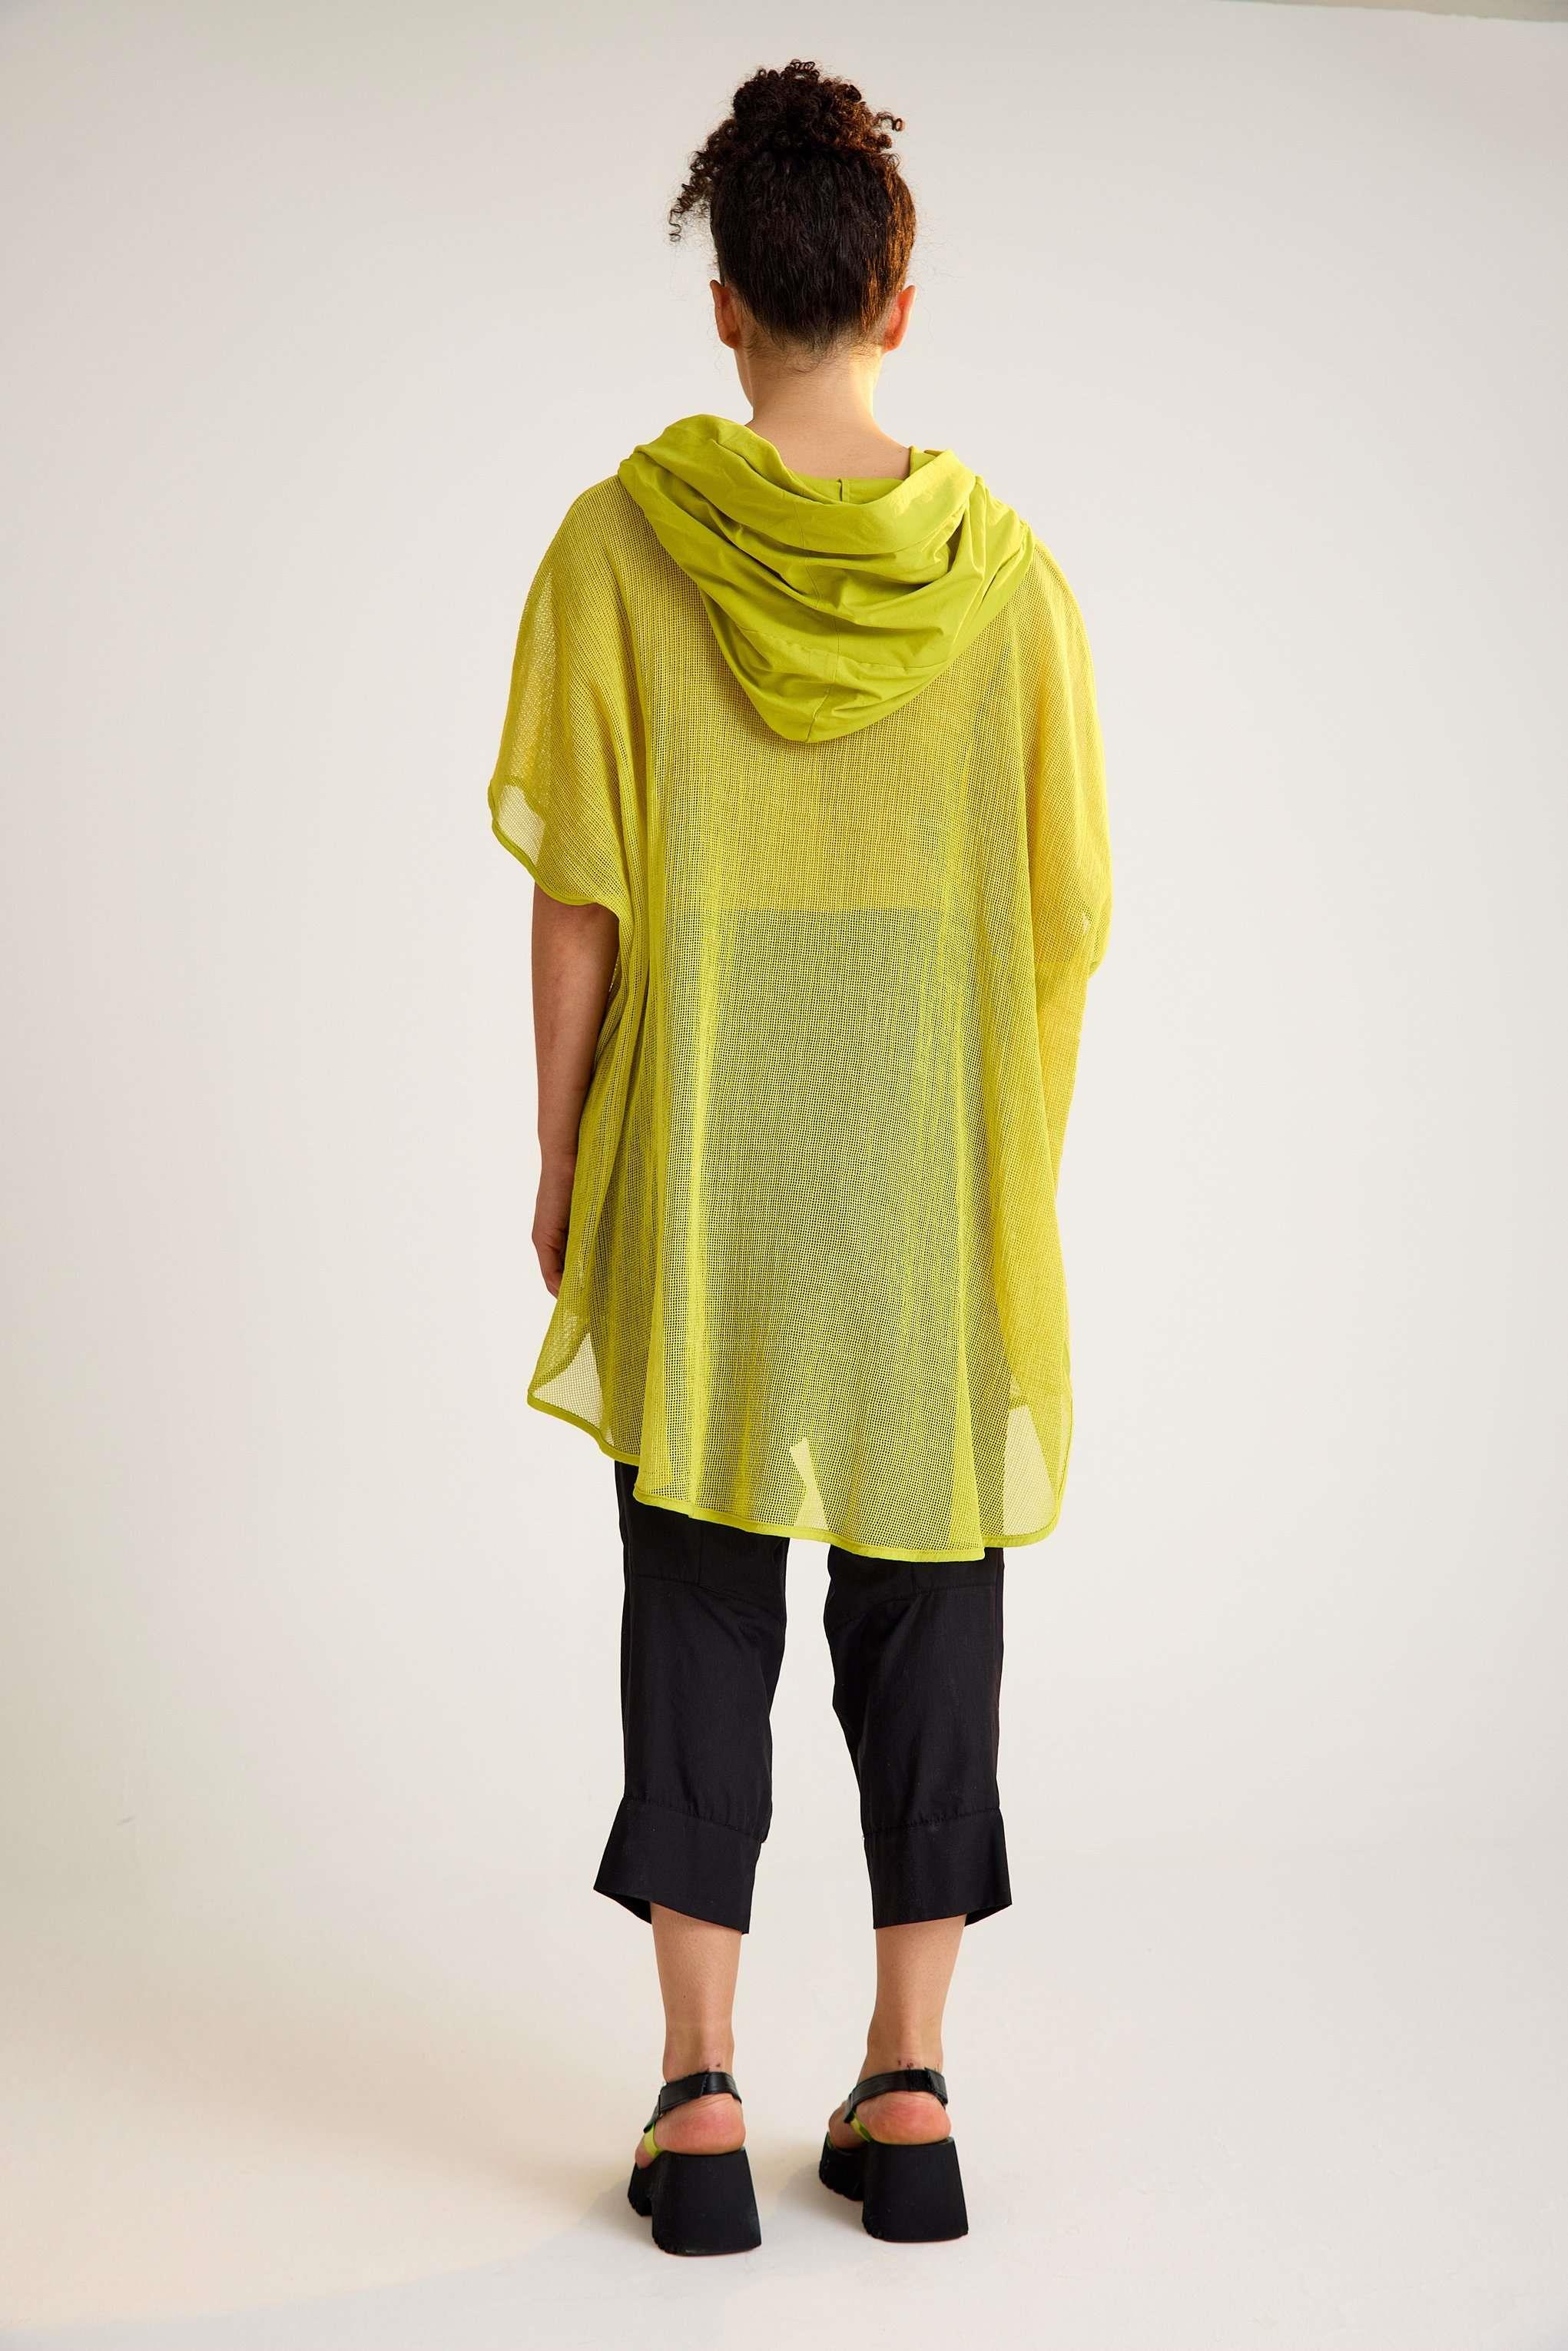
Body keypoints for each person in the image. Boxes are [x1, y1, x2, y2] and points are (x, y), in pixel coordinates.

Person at [486, 57, 1111, 2256]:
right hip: (921, 1160)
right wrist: (995, 1163)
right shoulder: (1007, 585)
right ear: (899, 303)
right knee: (930, 1595)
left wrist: (564, 1156)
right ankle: (910, 2091)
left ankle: (695, 2103)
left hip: (706, 1150)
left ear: (728, 304)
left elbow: (579, 894)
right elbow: (1064, 918)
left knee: (694, 1592)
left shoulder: (620, 545)